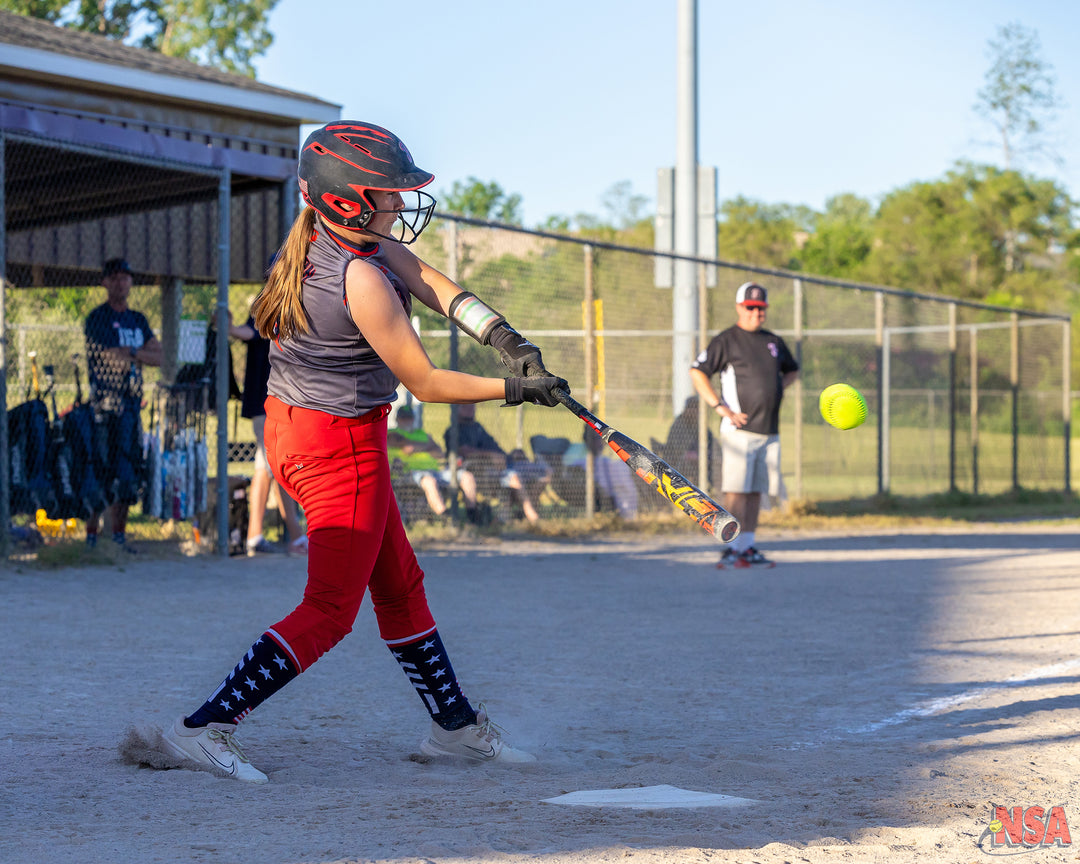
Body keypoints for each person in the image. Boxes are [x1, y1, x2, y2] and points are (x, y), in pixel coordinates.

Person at [159, 121, 567, 782]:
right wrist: (515, 389)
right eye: (388, 194)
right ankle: (207, 727)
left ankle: (455, 729)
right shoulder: (360, 279)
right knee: (330, 610)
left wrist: (505, 337)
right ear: (349, 199)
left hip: (308, 430)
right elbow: (426, 382)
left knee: (400, 586)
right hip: (336, 446)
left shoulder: (333, 241)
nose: (401, 205)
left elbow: (433, 282)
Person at [689, 281, 799, 568]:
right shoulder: (727, 340)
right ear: (739, 307)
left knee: (755, 491)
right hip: (739, 431)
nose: (756, 313)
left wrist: (777, 388)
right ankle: (731, 547)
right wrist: (720, 407)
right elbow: (698, 372)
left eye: (760, 308)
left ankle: (747, 546)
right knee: (736, 490)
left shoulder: (773, 341)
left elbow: (792, 371)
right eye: (750, 307)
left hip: (768, 430)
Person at [84, 258, 163, 551]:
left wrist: (130, 352)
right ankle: (92, 537)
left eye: (125, 278)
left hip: (131, 405)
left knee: (127, 471)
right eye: (115, 278)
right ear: (105, 282)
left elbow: (160, 357)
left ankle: (119, 536)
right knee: (100, 469)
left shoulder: (137, 319)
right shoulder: (97, 318)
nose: (121, 283)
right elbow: (108, 358)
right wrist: (138, 353)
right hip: (103, 406)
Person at [228, 309, 307, 556]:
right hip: (266, 404)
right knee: (277, 468)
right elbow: (249, 333)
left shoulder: (296, 312)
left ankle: (255, 535)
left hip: (277, 403)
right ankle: (296, 537)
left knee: (265, 469)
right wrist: (228, 327)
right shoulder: (269, 306)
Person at [446, 402, 549, 524]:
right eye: (467, 406)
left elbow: (495, 450)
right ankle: (533, 519)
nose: (472, 408)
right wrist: (491, 456)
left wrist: (511, 455)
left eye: (472, 406)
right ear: (457, 409)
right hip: (485, 471)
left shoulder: (477, 427)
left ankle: (519, 513)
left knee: (545, 472)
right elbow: (464, 452)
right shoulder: (454, 430)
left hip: (506, 464)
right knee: (514, 478)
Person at [387, 403, 481, 521]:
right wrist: (427, 446)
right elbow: (408, 448)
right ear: (397, 419)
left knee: (467, 476)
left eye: (409, 417)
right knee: (429, 481)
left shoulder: (421, 433)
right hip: (411, 472)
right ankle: (445, 516)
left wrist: (417, 447)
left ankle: (472, 516)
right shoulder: (392, 433)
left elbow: (439, 453)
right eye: (403, 418)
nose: (407, 420)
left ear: (413, 418)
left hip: (436, 470)